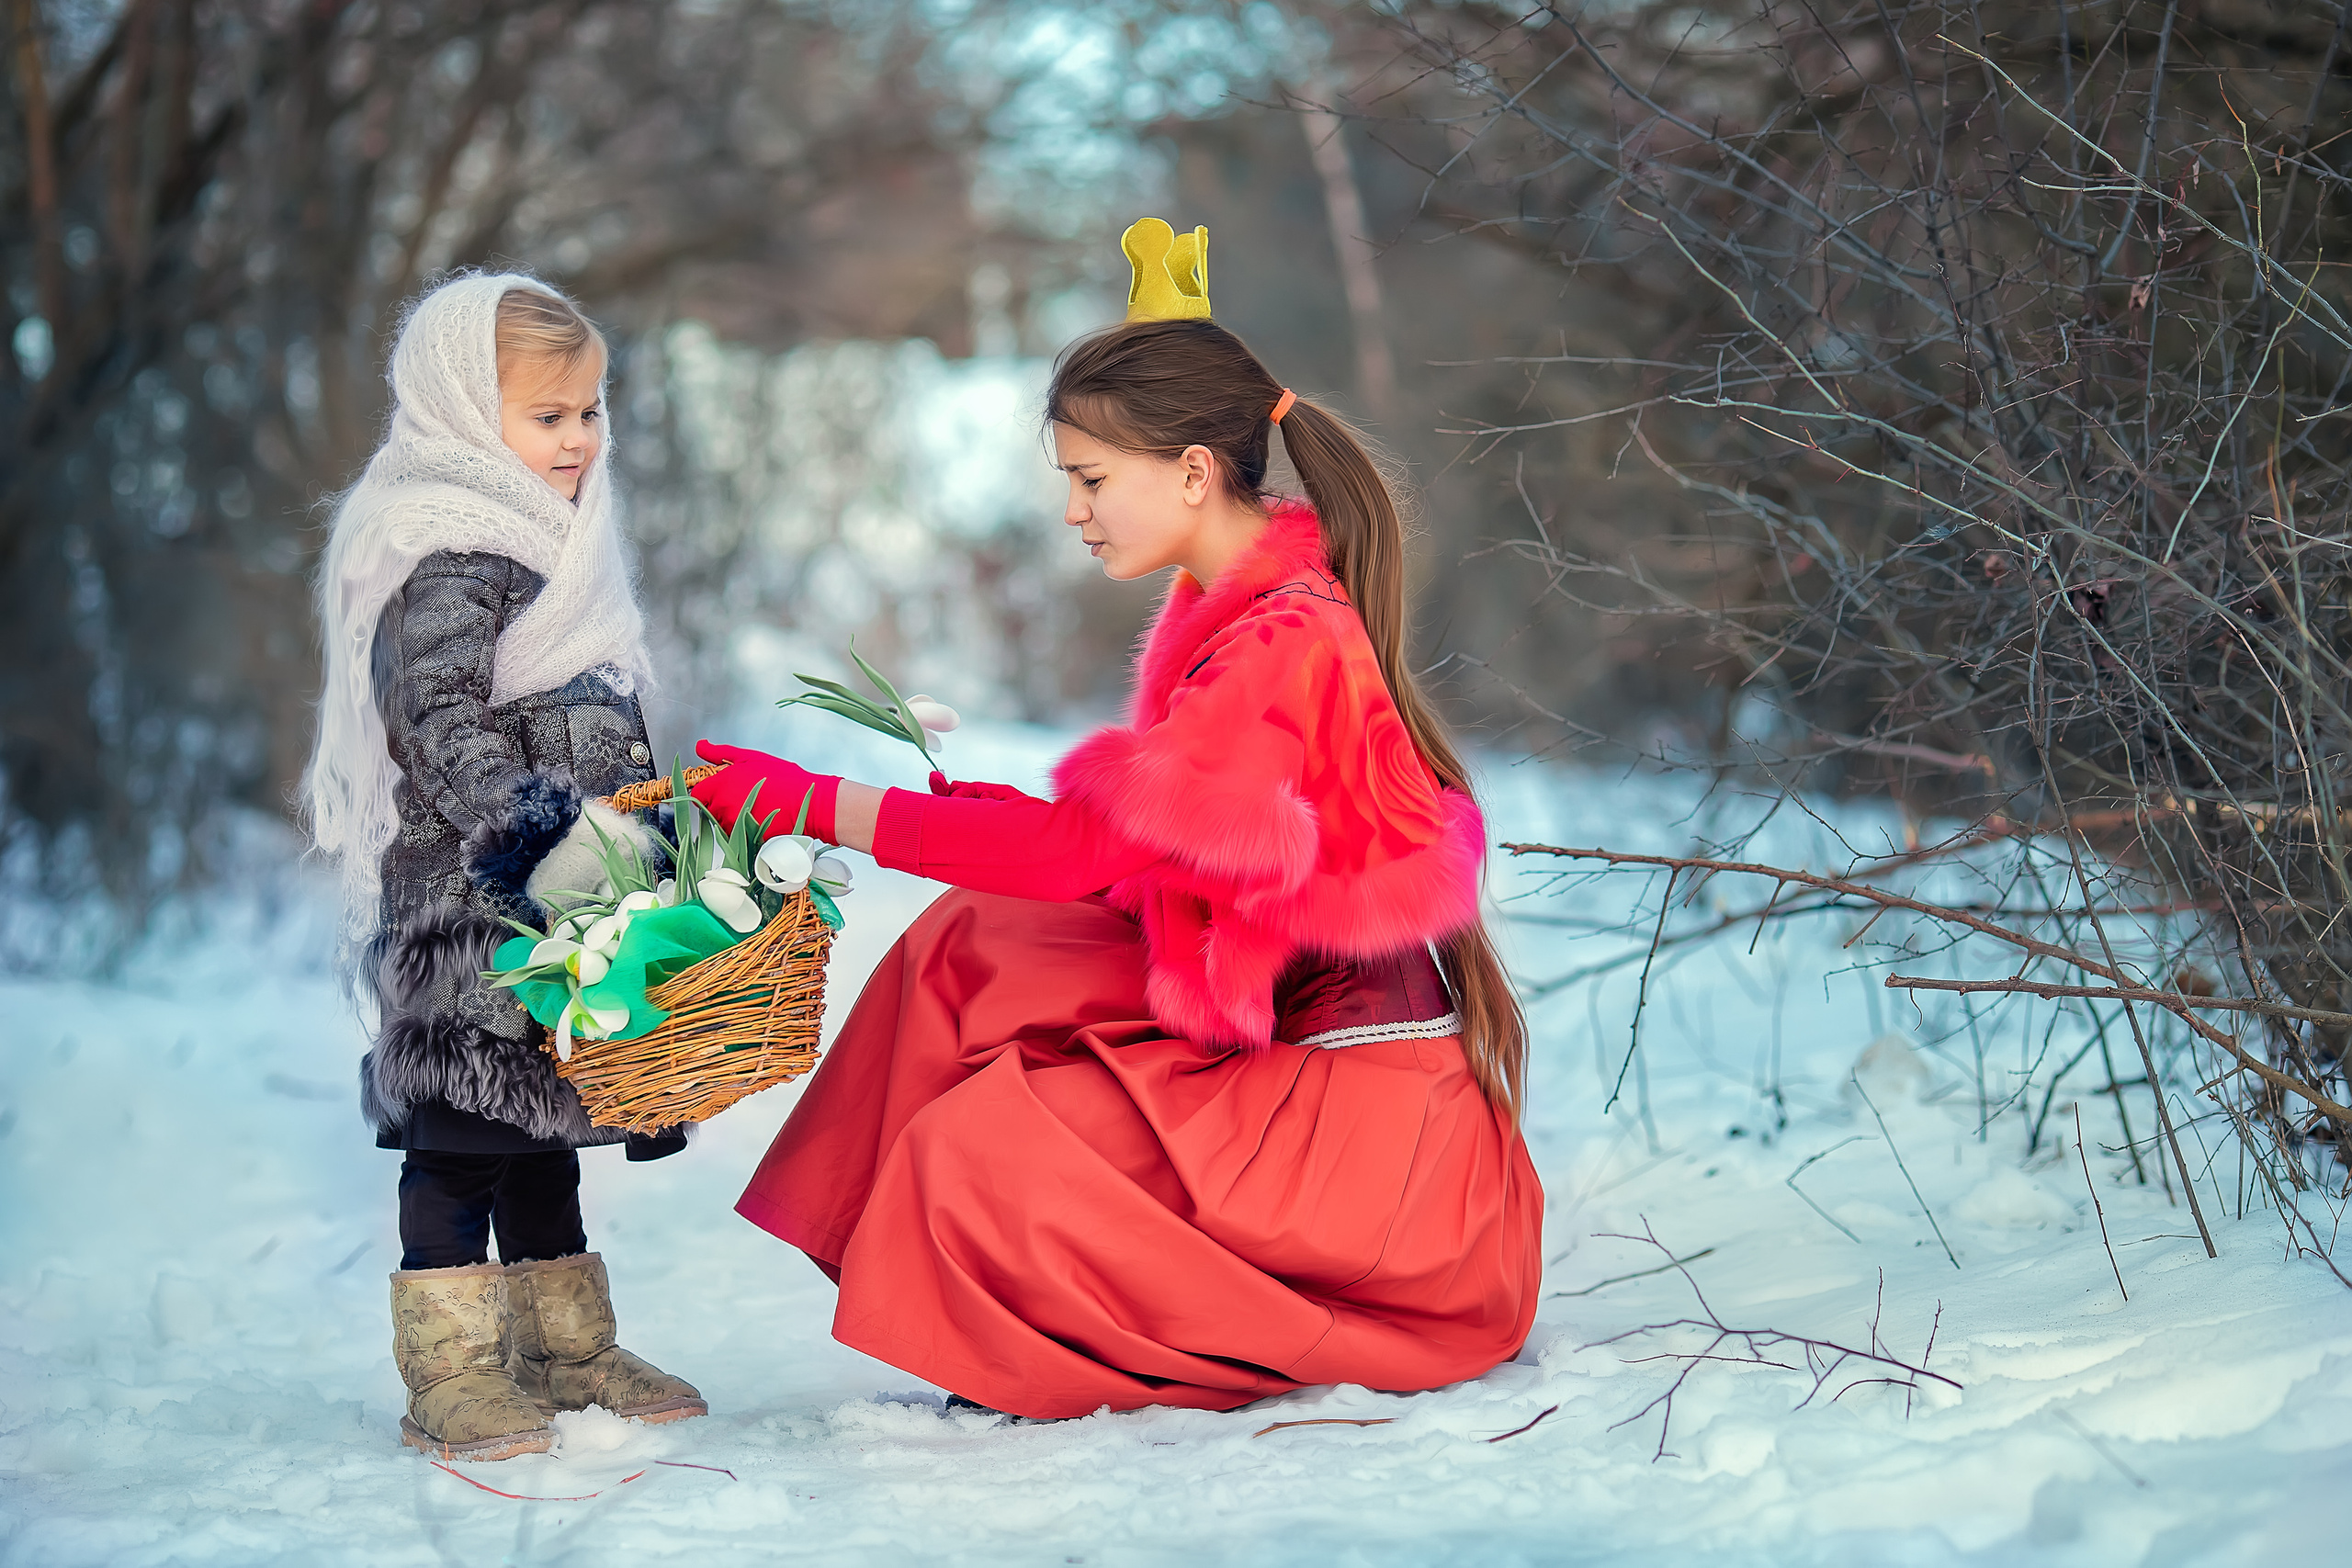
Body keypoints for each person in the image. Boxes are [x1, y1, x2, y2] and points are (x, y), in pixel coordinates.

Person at [691, 230, 1543, 1420]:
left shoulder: (1280, 641)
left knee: (973, 1150)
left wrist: (819, 804)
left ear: (1193, 472)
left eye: (1091, 480)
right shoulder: (1244, 609)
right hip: (1288, 1045)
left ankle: (1030, 1305)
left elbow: (1087, 854)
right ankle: (958, 1267)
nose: (1074, 512)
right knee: (972, 943)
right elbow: (1136, 842)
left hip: (1355, 1138)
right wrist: (971, 815)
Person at [304, 273, 704, 1461]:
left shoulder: (561, 544)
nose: (579, 439)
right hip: (472, 901)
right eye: (547, 416)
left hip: (565, 903)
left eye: (590, 411)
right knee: (460, 1136)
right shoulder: (447, 548)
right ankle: (454, 1367)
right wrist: (540, 834)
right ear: (465, 414)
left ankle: (565, 1348)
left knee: (543, 1129)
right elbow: (437, 716)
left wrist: (643, 851)